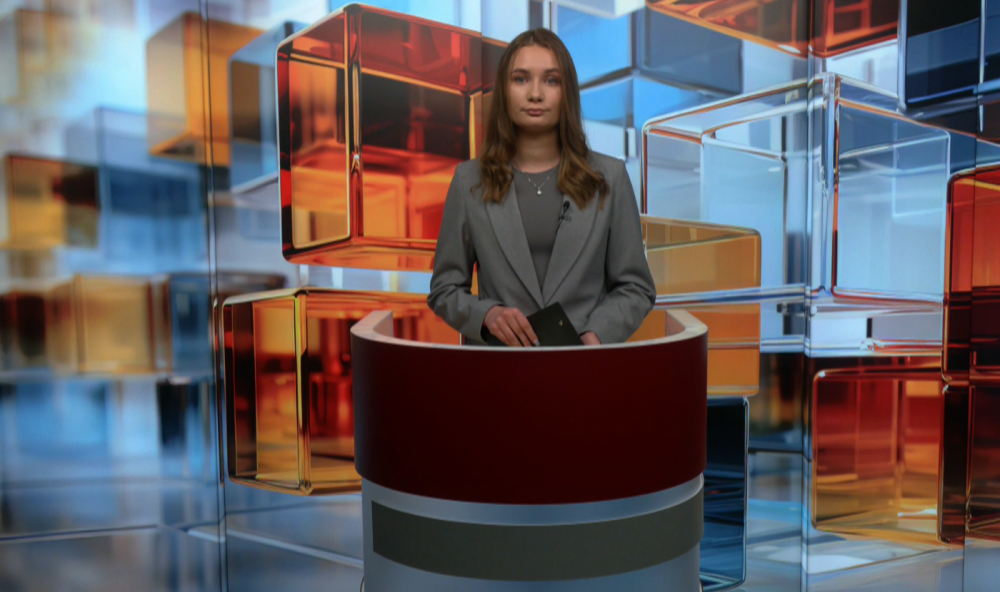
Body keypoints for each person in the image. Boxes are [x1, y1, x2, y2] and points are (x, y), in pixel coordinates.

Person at [427, 28, 655, 347]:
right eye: (521, 79)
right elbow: (444, 289)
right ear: (504, 91)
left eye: (551, 80)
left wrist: (596, 335)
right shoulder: (469, 181)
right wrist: (487, 315)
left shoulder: (610, 177)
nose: (535, 94)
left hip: (582, 367)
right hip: (499, 368)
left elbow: (636, 287)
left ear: (567, 92)